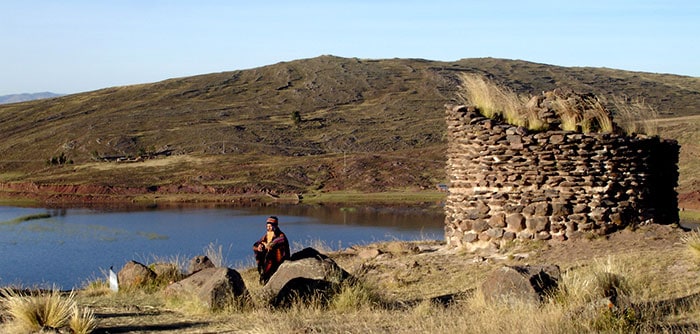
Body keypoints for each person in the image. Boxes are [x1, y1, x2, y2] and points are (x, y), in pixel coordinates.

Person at [253, 216, 291, 284]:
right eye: (267, 226)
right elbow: (259, 242)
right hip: (270, 257)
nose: (268, 228)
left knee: (271, 253)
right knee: (257, 248)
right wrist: (260, 245)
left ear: (275, 226)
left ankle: (268, 275)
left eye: (270, 226)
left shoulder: (281, 235)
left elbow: (274, 243)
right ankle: (263, 272)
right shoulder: (267, 235)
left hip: (279, 259)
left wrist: (266, 245)